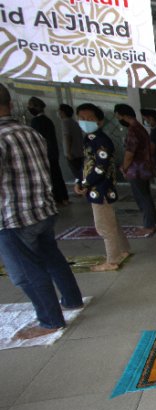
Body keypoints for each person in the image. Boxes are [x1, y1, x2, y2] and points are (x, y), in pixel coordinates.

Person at [0, 83, 83, 339]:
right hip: (43, 210)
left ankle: (49, 320)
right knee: (52, 258)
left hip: (15, 216)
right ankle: (71, 298)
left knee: (27, 272)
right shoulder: (29, 132)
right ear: (11, 104)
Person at [75, 103, 130, 271]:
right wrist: (79, 180)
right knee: (111, 221)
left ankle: (112, 260)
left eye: (90, 119)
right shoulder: (88, 139)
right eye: (82, 118)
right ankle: (123, 249)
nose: (85, 122)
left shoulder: (101, 141)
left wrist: (85, 183)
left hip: (101, 189)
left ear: (99, 121)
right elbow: (86, 164)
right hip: (95, 188)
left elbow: (100, 168)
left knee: (104, 226)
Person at [114, 104, 156, 235]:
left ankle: (149, 225)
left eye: (118, 116)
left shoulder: (134, 130)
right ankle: (151, 222)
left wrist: (124, 168)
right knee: (146, 196)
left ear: (124, 115)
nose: (118, 119)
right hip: (144, 168)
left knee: (142, 197)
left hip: (137, 170)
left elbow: (129, 154)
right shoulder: (141, 129)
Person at [27, 96, 69, 205]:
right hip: (52, 152)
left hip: (45, 153)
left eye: (30, 106)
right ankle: (63, 197)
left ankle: (57, 199)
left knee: (51, 177)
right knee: (57, 174)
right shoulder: (47, 120)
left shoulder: (36, 121)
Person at [58, 103, 84, 184]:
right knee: (81, 171)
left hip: (72, 153)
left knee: (77, 173)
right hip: (79, 152)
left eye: (59, 111)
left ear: (63, 112)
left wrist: (68, 152)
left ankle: (80, 188)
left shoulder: (65, 122)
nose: (58, 113)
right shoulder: (74, 123)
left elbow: (67, 137)